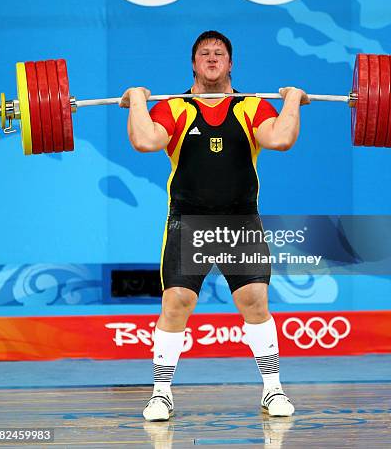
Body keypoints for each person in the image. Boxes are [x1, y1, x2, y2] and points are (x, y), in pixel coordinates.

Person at [120, 31, 309, 421]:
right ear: (193, 63)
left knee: (255, 301)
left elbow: (282, 138)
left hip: (240, 220)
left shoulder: (250, 107)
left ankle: (273, 390)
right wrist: (137, 100)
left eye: (218, 53)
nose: (211, 58)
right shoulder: (175, 108)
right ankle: (160, 394)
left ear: (230, 63)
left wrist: (292, 99)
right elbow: (143, 140)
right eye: (204, 53)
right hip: (188, 221)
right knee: (177, 303)